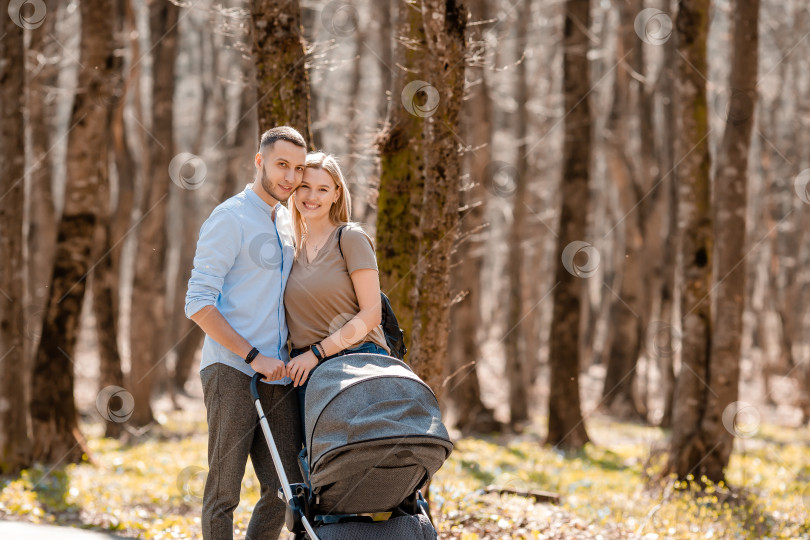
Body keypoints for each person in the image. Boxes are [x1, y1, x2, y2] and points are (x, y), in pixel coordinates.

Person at [184, 126, 307, 540]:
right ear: (260, 162)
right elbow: (198, 303)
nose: (289, 177)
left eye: (297, 169)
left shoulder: (290, 222)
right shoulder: (229, 217)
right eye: (281, 165)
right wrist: (253, 356)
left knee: (283, 489)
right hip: (231, 369)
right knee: (224, 492)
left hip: (280, 375)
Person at [283, 152, 390, 437]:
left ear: (336, 194)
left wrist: (316, 353)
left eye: (322, 189)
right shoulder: (288, 249)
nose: (312, 196)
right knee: (317, 466)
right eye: (305, 186)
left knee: (359, 461)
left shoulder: (350, 238)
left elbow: (371, 314)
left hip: (357, 361)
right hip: (306, 372)